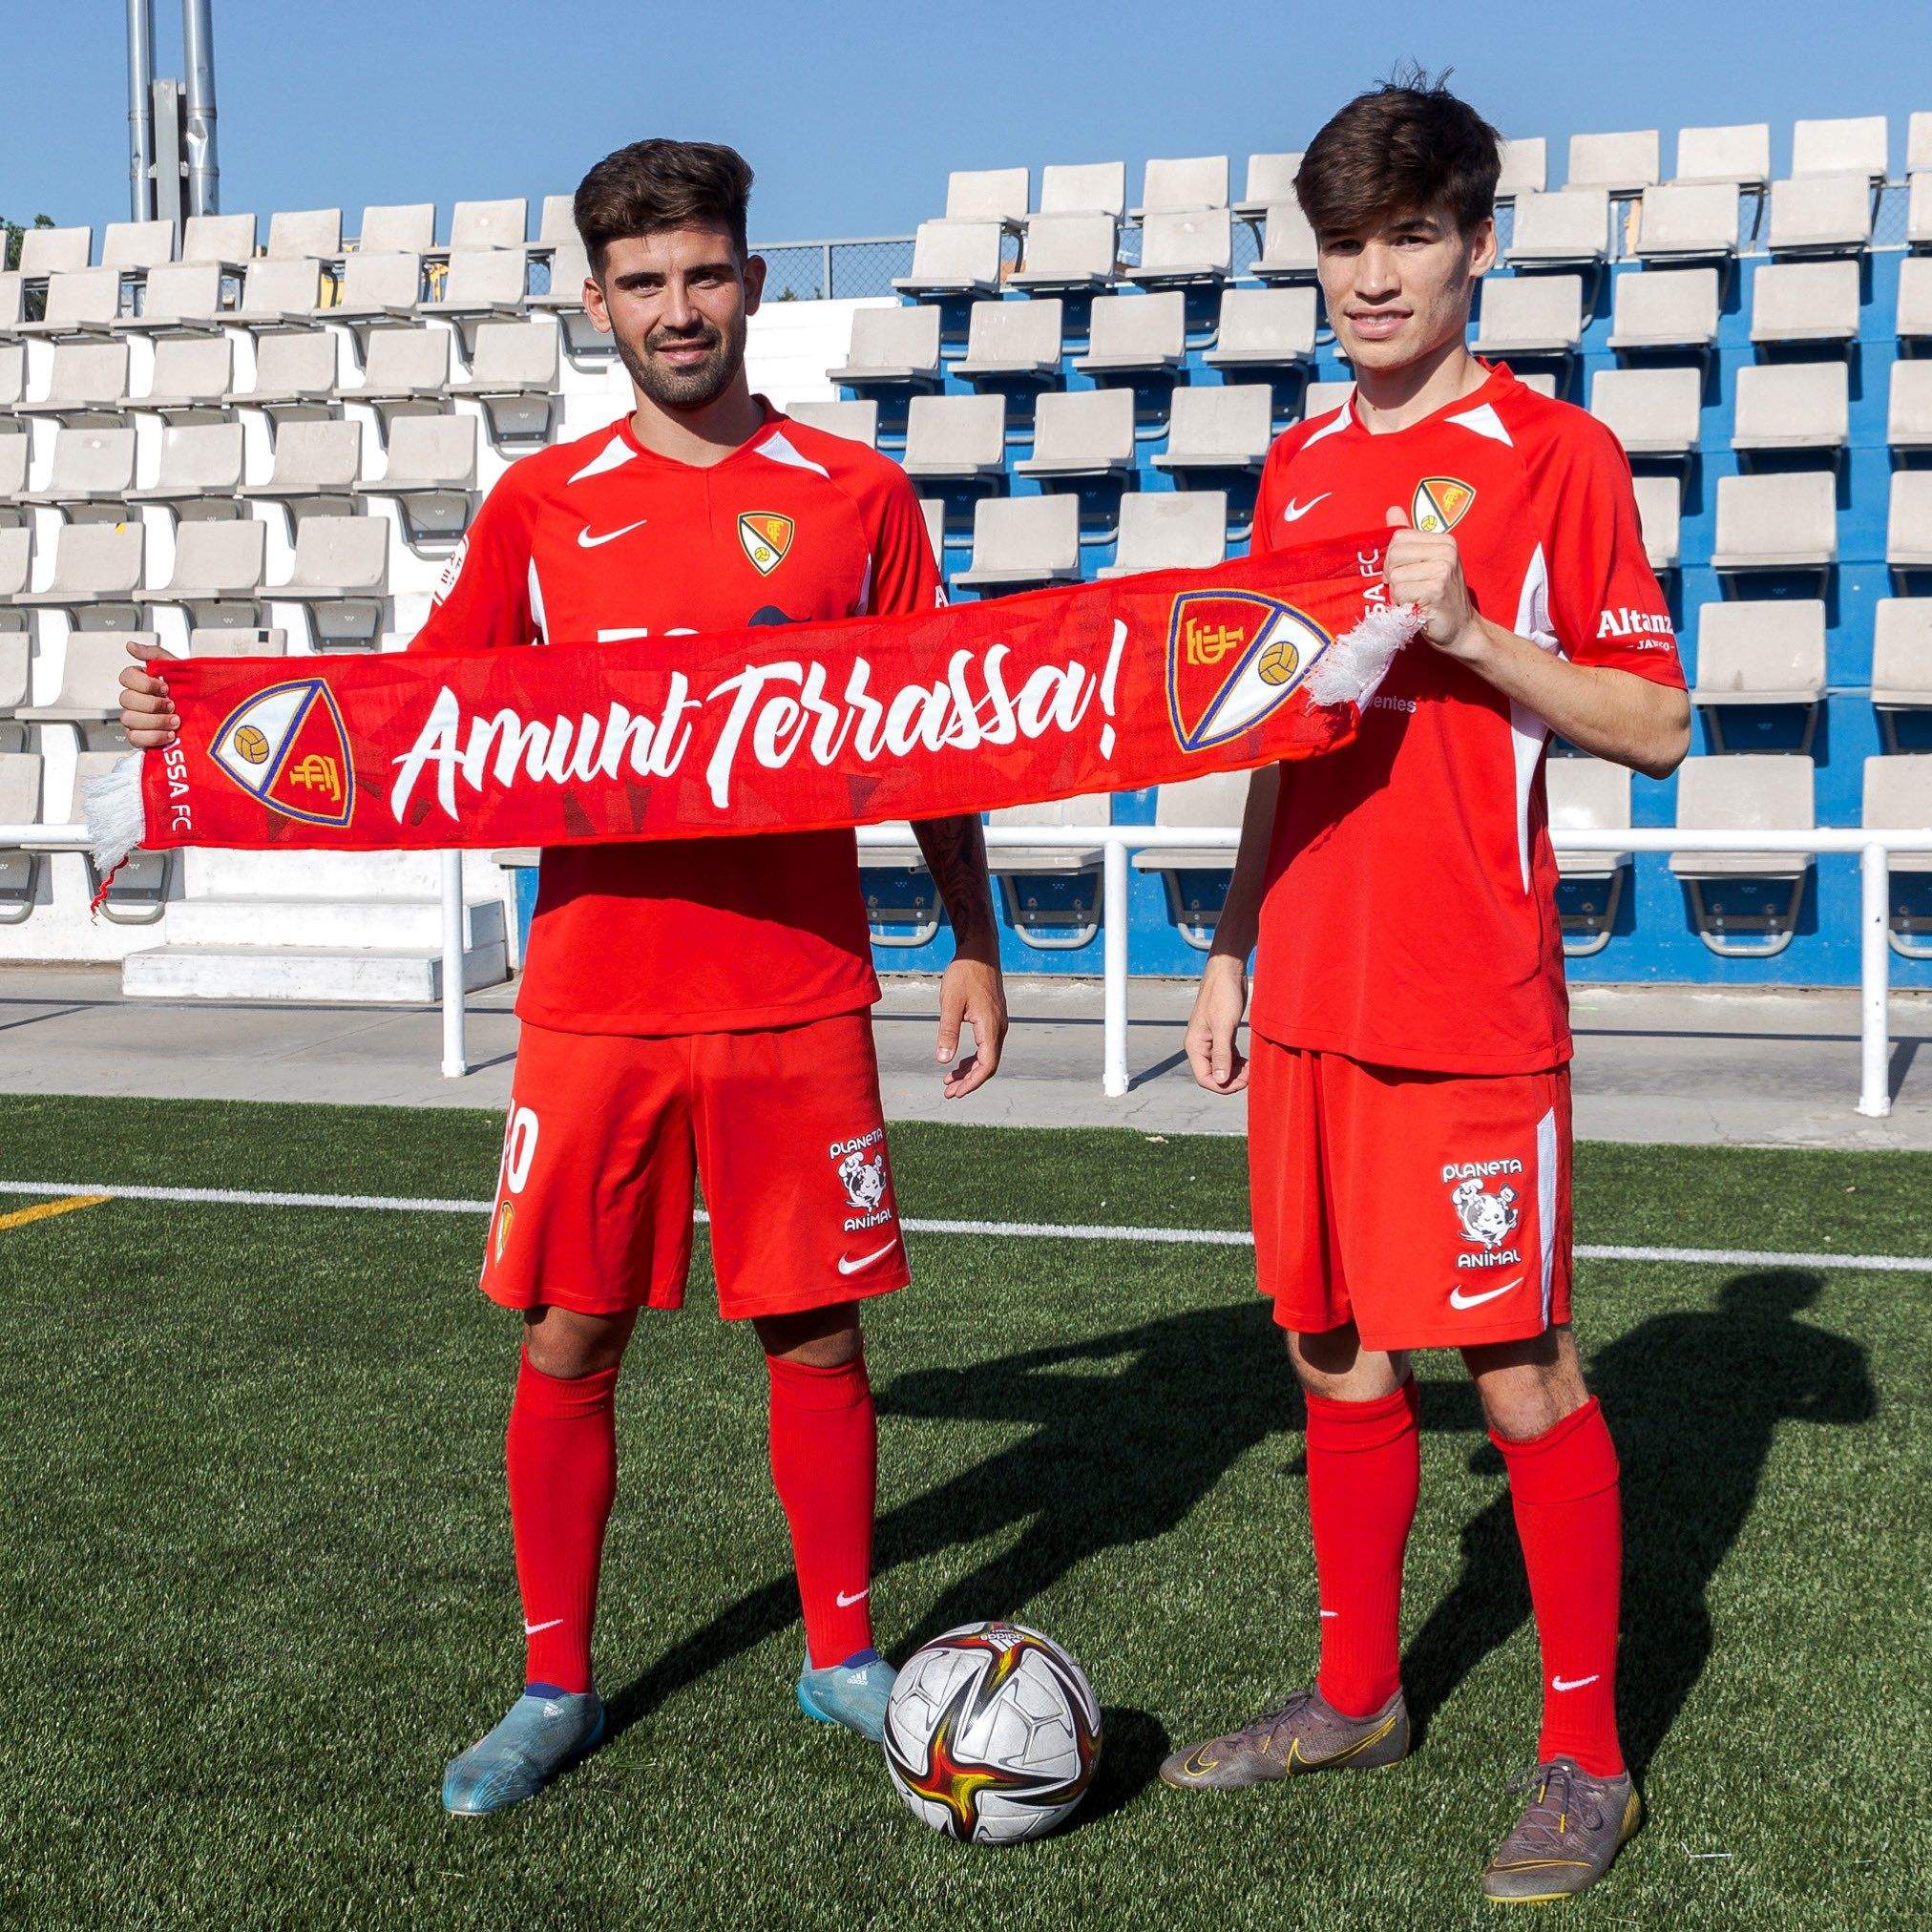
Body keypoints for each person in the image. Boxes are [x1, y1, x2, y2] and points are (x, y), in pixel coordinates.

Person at [117, 137, 1008, 1816]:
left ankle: (838, 1647)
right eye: (645, 281)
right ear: (595, 299)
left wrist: (967, 937)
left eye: (707, 272)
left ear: (752, 278)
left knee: (815, 1337)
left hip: (799, 987)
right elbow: (409, 725)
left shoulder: (858, 498)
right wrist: (206, 732)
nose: (681, 309)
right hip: (596, 997)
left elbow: (931, 737)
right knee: (569, 1337)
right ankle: (553, 1684)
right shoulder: (545, 506)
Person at [1157, 74, 1689, 1905]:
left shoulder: (1562, 460)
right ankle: (1359, 1694)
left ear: (1478, 246)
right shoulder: (1295, 468)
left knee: (1522, 1372)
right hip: (1304, 975)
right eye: (1342, 243)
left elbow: (1660, 727)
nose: (1372, 278)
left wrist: (1472, 633)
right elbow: (1274, 729)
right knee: (1327, 1342)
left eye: (1408, 238)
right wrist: (1230, 936)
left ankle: (1585, 1758)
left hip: (1468, 999)